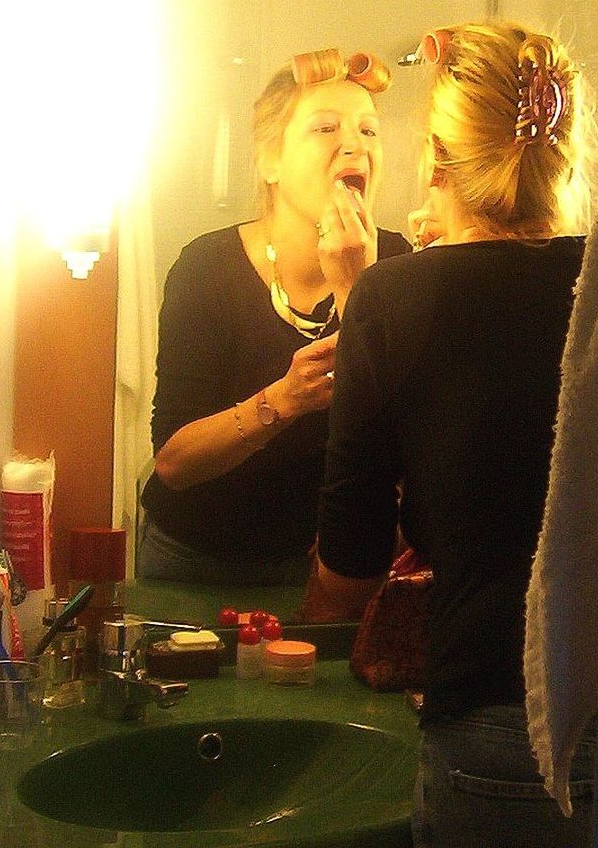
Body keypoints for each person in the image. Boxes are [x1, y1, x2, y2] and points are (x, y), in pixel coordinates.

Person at [315, 21, 598, 847]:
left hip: (499, 721)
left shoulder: (395, 296)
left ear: (437, 162)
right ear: (567, 157)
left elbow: (350, 564)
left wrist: (370, 299)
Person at [137, 47, 411, 585]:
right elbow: (174, 463)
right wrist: (282, 401)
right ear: (271, 161)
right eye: (325, 128)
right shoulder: (207, 268)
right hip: (196, 561)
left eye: (368, 131)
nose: (353, 144)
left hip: (337, 566)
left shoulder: (400, 265)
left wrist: (358, 283)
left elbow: (413, 442)